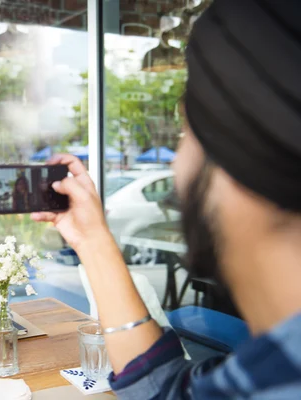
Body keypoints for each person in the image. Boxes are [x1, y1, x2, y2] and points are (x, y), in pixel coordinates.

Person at [32, 1, 301, 398]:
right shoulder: (265, 371)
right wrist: (90, 237)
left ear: (244, 158)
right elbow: (166, 388)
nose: (176, 165)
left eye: (186, 134)